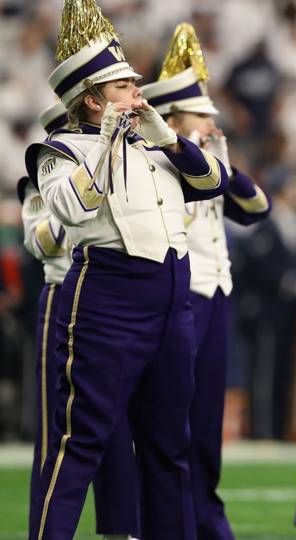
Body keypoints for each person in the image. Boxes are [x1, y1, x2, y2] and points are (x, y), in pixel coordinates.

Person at [27, 1, 228, 538]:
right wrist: (110, 141)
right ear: (92, 99)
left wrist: (167, 137)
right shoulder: (58, 149)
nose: (137, 92)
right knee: (81, 442)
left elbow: (214, 183)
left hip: (172, 296)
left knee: (169, 445)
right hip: (106, 296)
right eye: (123, 86)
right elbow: (71, 209)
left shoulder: (156, 145)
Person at [141, 22, 271, 540]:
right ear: (173, 118)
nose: (212, 123)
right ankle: (170, 517)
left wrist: (216, 160)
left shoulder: (208, 163)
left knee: (208, 414)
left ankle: (205, 513)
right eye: (201, 115)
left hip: (215, 293)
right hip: (178, 296)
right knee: (174, 416)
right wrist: (185, 151)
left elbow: (255, 208)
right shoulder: (155, 161)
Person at [21, 102, 141, 540]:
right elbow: (45, 245)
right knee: (61, 428)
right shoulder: (41, 182)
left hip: (106, 294)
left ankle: (120, 527)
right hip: (61, 296)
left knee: (117, 421)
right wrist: (73, 195)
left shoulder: (119, 165)